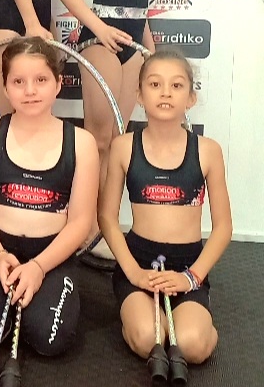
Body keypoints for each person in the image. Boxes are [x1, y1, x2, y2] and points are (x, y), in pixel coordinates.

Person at [0, 37, 98, 355]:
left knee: (50, 341)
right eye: (18, 81)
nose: (30, 90)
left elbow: (80, 222)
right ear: (5, 88)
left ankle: (24, 305)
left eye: (41, 80)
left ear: (58, 84)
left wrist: (38, 267)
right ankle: (3, 309)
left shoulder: (82, 143)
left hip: (51, 255)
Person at [99, 49, 232, 364]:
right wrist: (134, 273)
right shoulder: (123, 147)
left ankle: (189, 322)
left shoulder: (208, 151)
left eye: (176, 85)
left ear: (191, 98)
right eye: (155, 84)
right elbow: (106, 217)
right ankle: (143, 315)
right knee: (149, 338)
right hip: (139, 263)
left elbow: (224, 227)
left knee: (191, 346)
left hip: (188, 266)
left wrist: (192, 277)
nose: (165, 93)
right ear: (139, 95)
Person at [57, 0, 156, 263]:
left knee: (118, 142)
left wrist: (149, 48)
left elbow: (138, 2)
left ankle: (107, 224)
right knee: (98, 139)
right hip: (99, 43)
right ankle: (86, 227)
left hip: (133, 45)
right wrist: (98, 30)